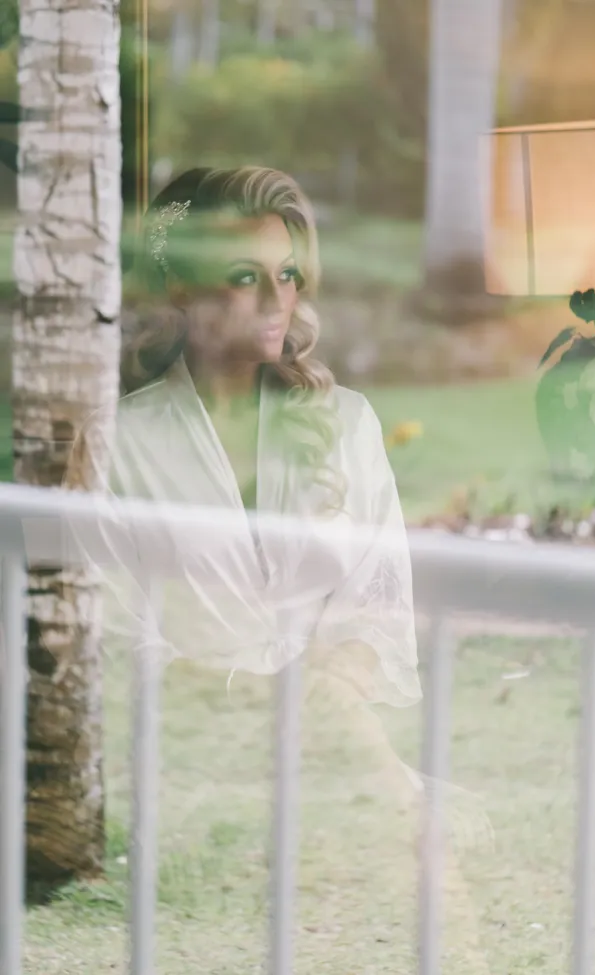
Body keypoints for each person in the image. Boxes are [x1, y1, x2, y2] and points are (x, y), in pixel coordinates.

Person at [66, 164, 422, 710]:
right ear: (181, 286)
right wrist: (255, 697)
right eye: (245, 277)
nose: (277, 299)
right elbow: (109, 636)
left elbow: (382, 599)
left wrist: (337, 682)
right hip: (187, 731)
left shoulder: (348, 423)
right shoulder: (117, 444)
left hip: (332, 720)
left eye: (287, 274)